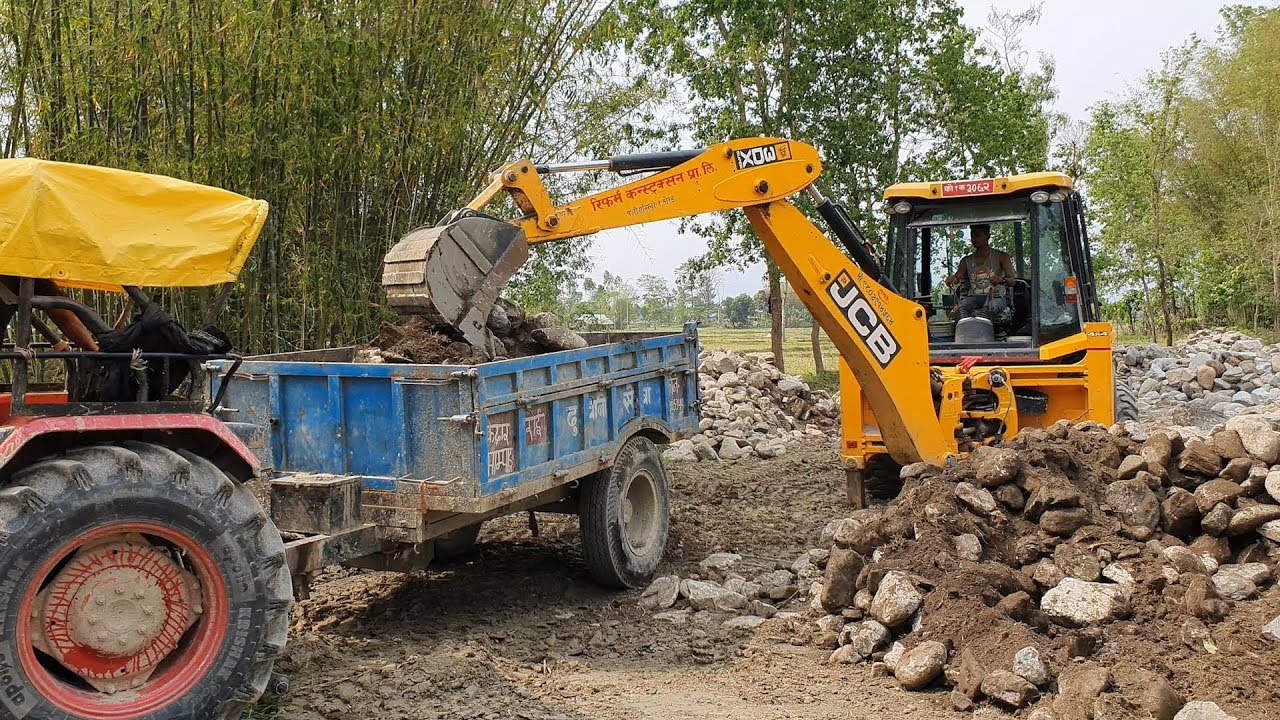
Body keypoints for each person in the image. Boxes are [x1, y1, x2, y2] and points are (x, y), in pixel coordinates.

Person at [946, 224, 1015, 319]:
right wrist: (952, 280)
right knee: (958, 310)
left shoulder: (1002, 256)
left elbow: (1012, 281)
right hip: (973, 298)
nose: (974, 239)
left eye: (977, 235)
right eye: (972, 236)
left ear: (988, 235)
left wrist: (1001, 280)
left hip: (995, 298)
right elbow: (958, 276)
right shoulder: (966, 261)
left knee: (988, 310)